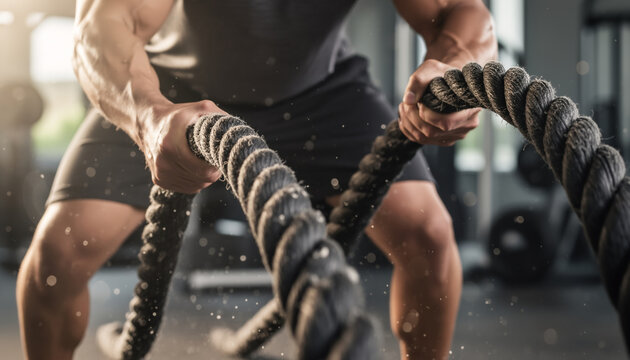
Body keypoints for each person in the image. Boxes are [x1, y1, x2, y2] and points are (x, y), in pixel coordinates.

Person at [16, 0, 496, 359]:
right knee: (57, 258)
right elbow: (105, 22)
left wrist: (456, 73)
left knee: (429, 236)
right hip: (167, 92)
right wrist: (149, 117)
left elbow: (458, 10)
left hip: (321, 93)